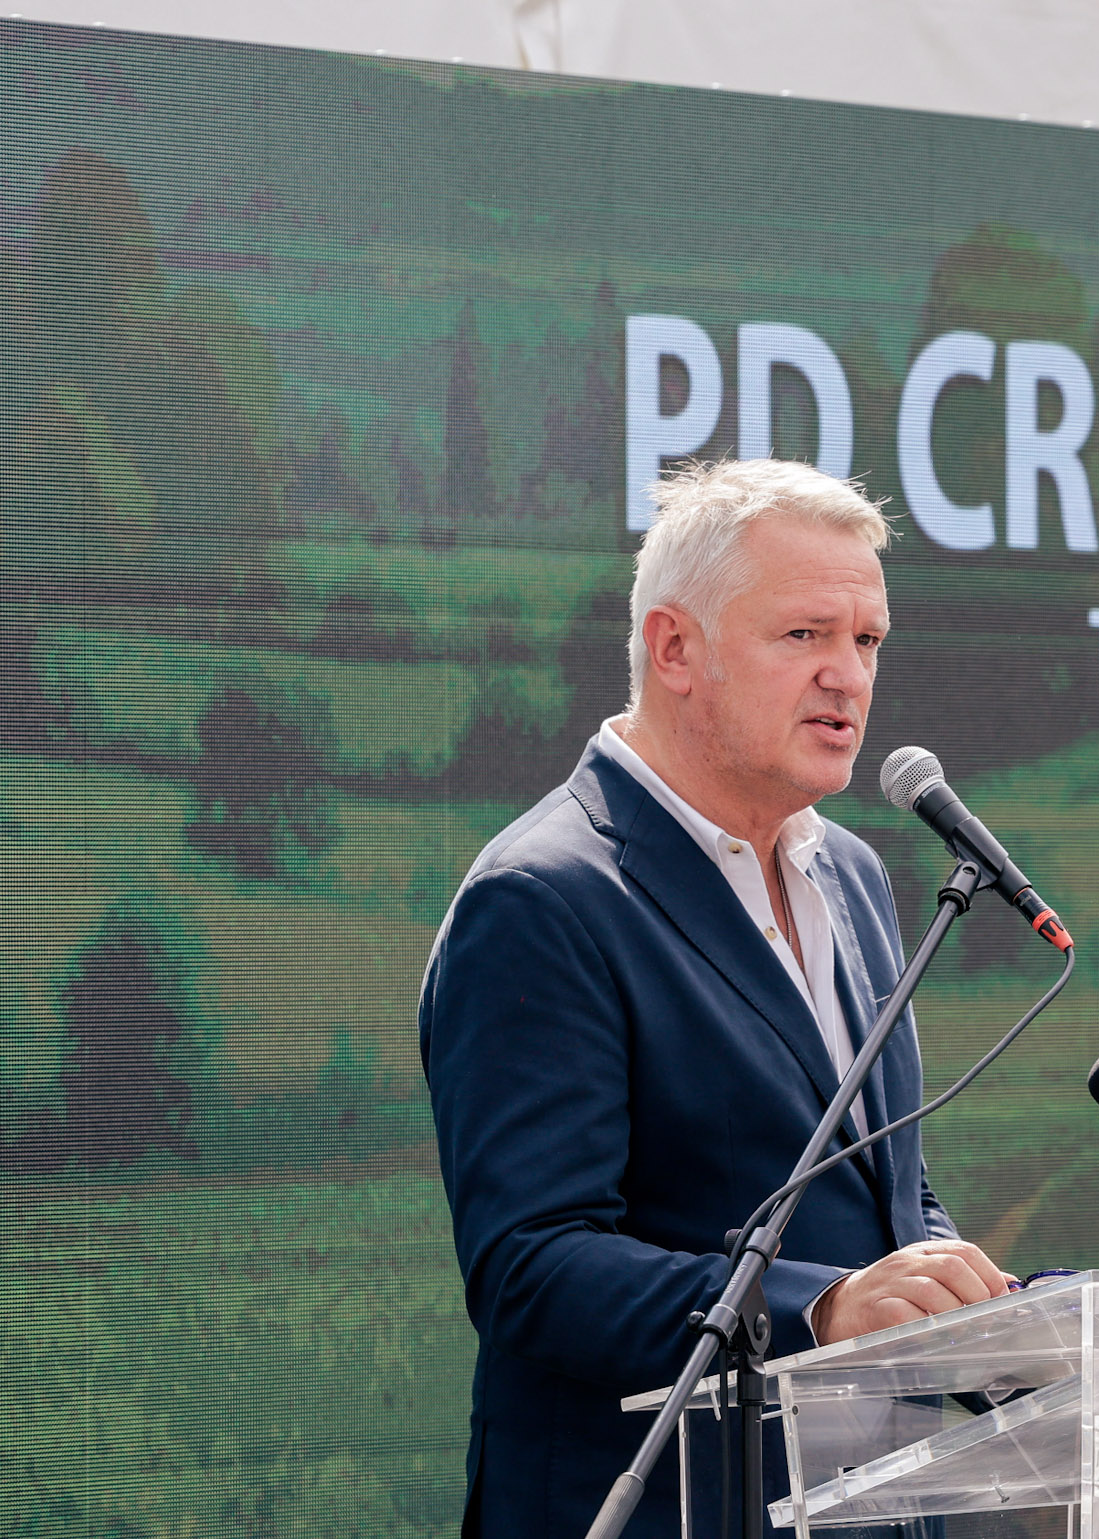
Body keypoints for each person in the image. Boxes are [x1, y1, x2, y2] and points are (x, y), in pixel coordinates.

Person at [418, 458, 1015, 1539]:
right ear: (674, 649)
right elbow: (532, 1266)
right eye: (804, 634)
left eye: (867, 640)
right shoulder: (542, 897)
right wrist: (820, 1308)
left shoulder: (851, 875)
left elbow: (877, 1191)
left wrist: (979, 1310)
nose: (847, 675)